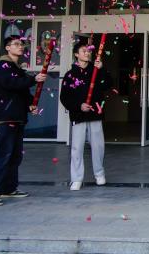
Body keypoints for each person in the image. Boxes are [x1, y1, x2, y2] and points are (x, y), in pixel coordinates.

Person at [0, 35, 46, 206]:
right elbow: (11, 83)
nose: (20, 46)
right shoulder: (2, 66)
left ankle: (8, 188)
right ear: (7, 48)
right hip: (5, 117)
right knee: (4, 154)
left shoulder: (16, 68)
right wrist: (33, 79)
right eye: (16, 44)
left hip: (17, 117)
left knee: (15, 155)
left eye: (22, 44)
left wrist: (31, 104)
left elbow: (22, 91)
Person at [60, 42, 112, 191]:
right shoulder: (70, 75)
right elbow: (65, 97)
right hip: (78, 115)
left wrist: (102, 69)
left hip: (95, 113)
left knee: (98, 146)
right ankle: (76, 178)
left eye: (89, 51)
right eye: (84, 51)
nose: (87, 53)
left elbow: (108, 84)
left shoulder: (96, 70)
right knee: (77, 147)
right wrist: (79, 105)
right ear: (76, 54)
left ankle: (99, 174)